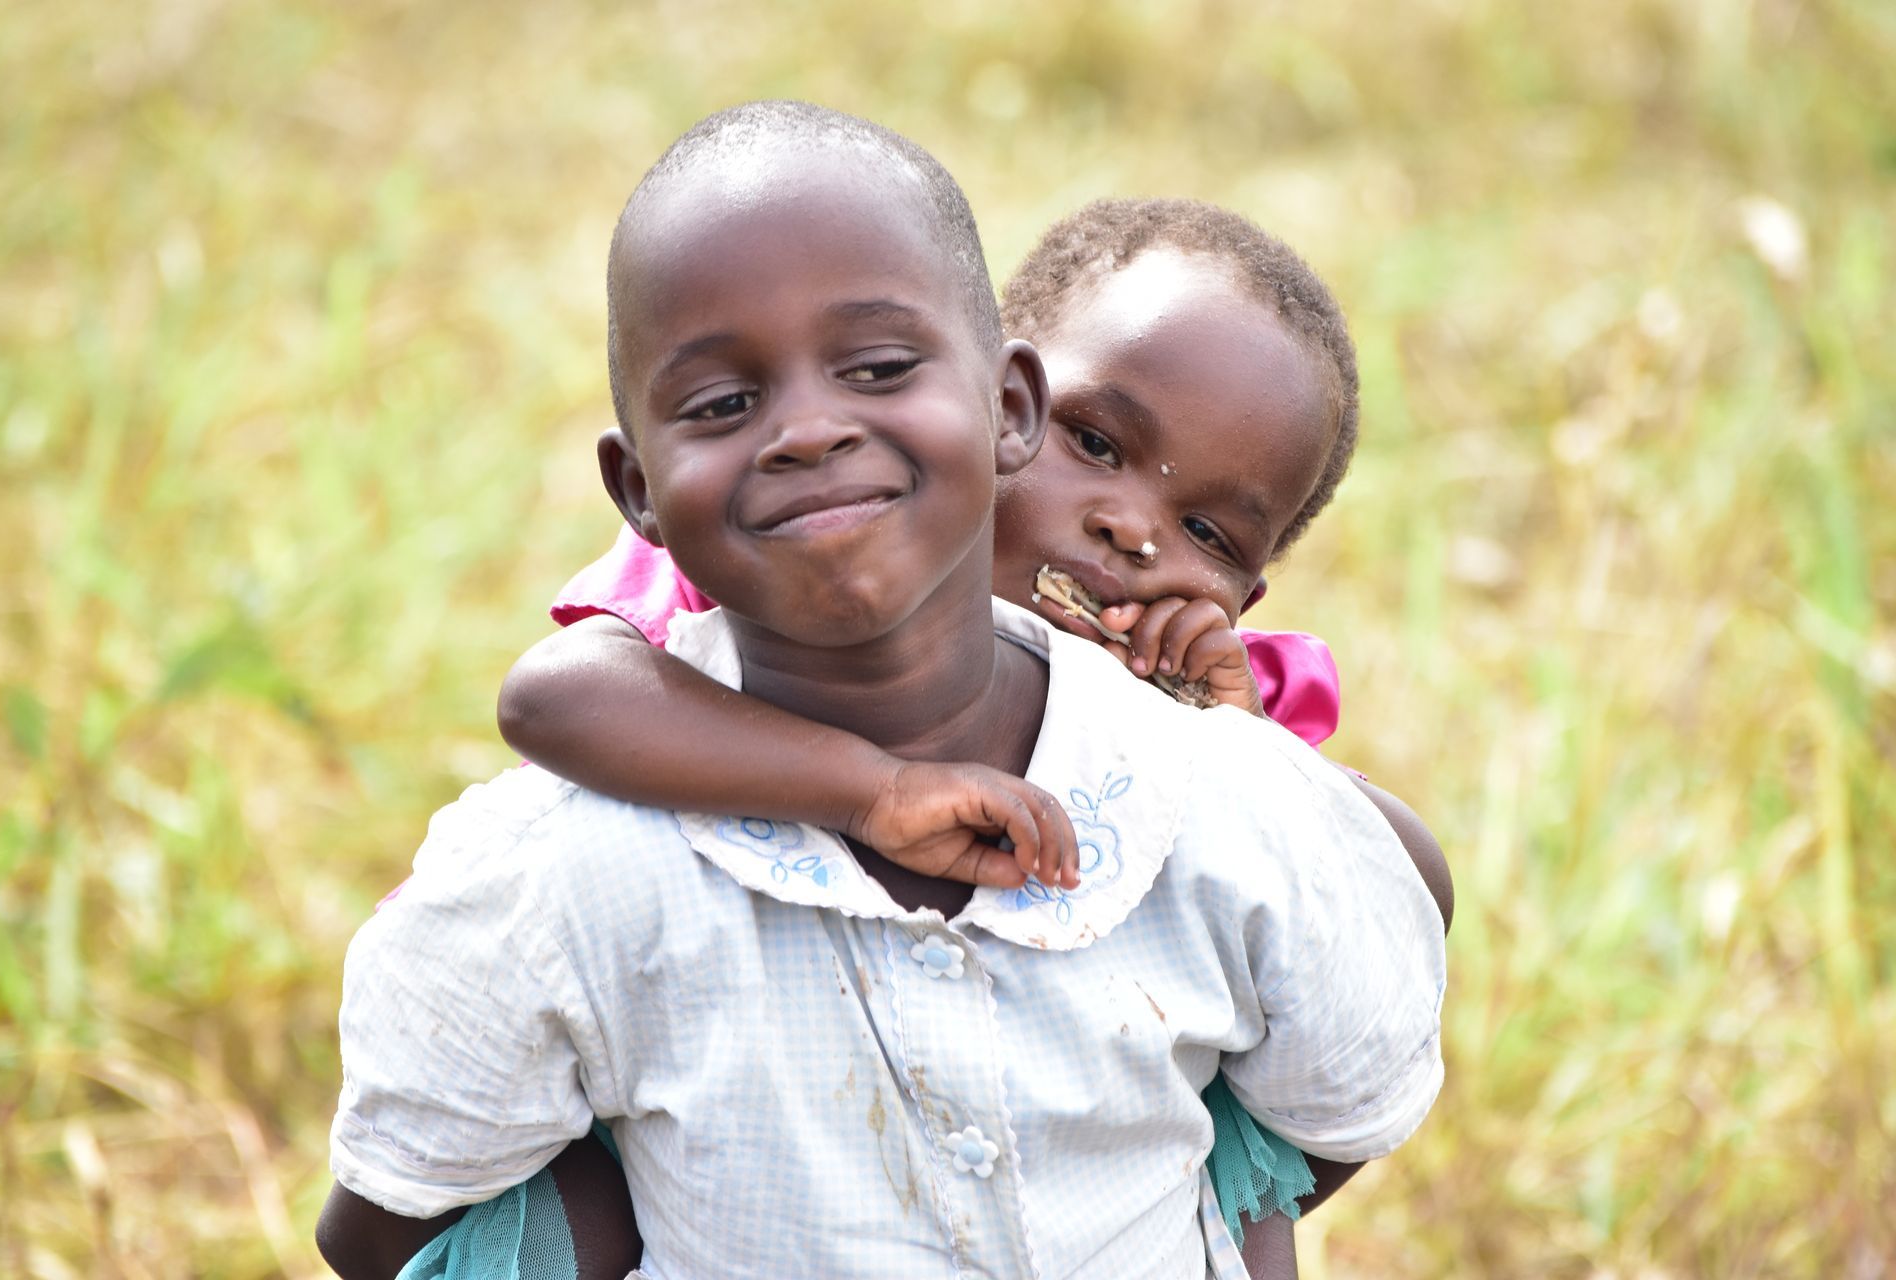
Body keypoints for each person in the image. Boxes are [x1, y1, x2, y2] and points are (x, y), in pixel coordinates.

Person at [318, 101, 1446, 1280]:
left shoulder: (1206, 729)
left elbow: (1385, 901)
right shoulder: (746, 578)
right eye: (1099, 446)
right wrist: (873, 787)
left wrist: (1241, 750)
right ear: (1017, 410)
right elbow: (552, 698)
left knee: (1244, 1187)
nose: (1128, 527)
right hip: (707, 1128)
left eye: (1204, 528)